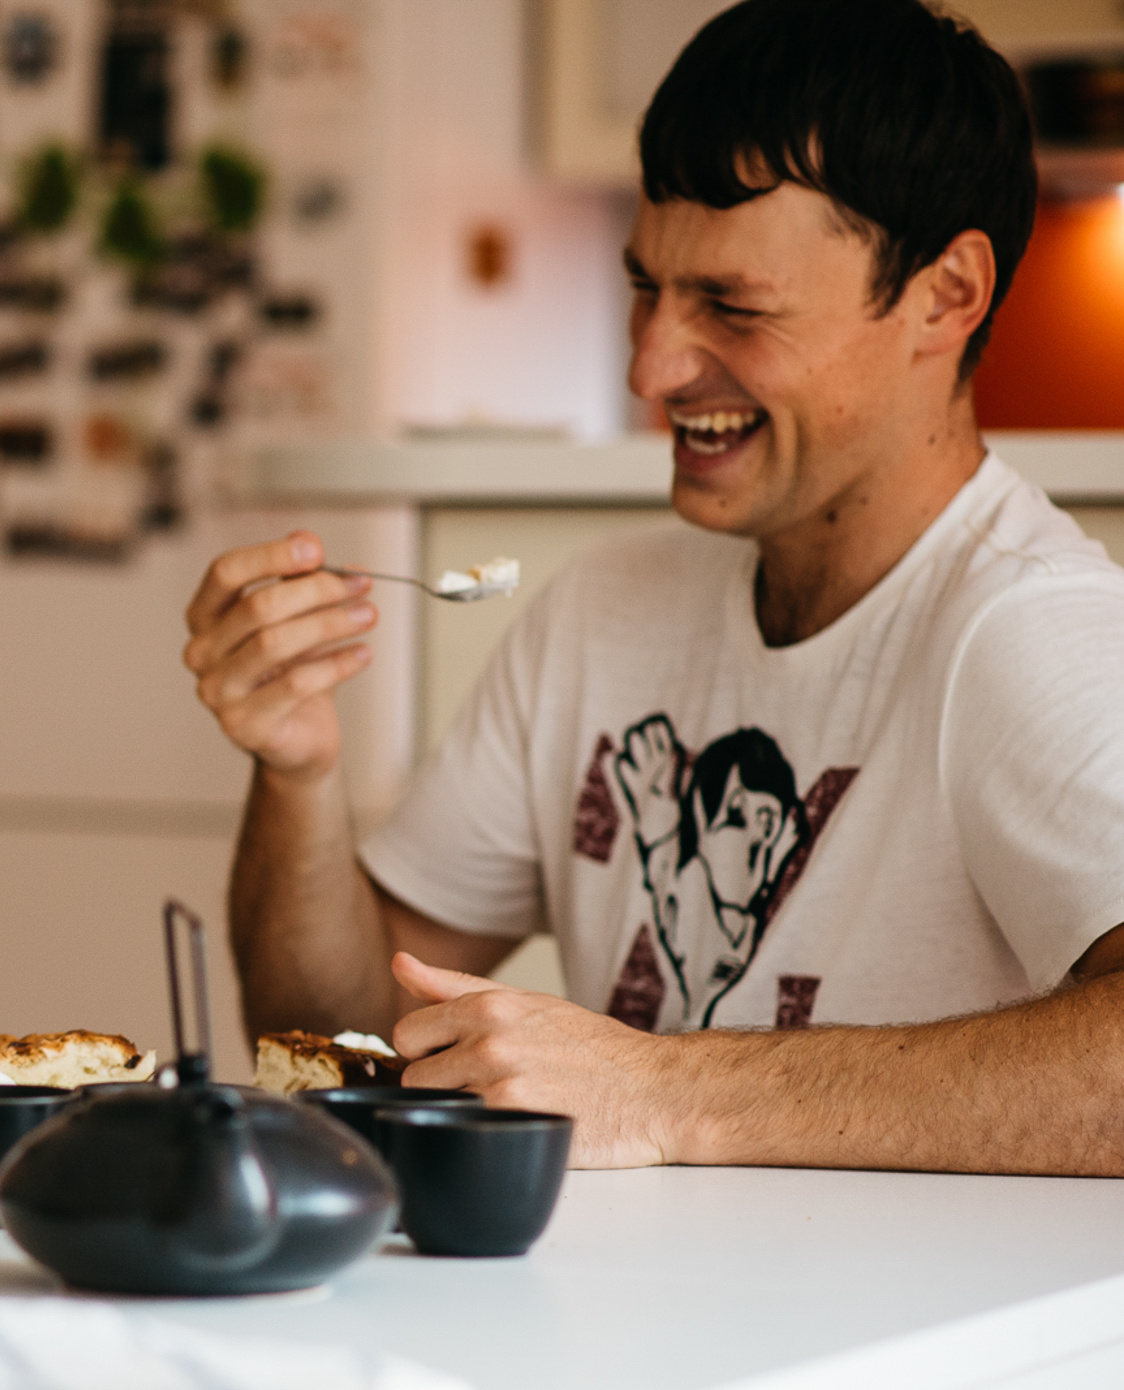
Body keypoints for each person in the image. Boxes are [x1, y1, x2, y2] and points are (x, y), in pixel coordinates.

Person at [183, 0, 1124, 1180]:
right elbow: (333, 1032)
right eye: (645, 288)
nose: (650, 366)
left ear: (944, 295)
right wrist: (297, 773)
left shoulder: (1030, 631)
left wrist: (664, 1088)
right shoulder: (604, 609)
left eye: (731, 306)